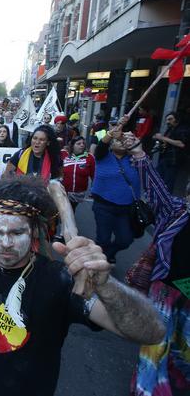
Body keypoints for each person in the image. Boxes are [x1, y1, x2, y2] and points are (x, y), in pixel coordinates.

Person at [0, 174, 166, 396]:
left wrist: (106, 286)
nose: (5, 243)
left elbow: (152, 332)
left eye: (17, 232)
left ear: (35, 231)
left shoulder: (61, 280)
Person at [122, 132, 190, 396]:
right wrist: (138, 151)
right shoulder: (175, 212)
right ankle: (147, 389)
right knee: (156, 341)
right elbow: (154, 184)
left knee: (184, 346)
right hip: (165, 288)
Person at [90, 117, 138, 263]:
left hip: (125, 208)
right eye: (118, 141)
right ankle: (99, 263)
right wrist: (112, 133)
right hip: (104, 206)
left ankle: (108, 253)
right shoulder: (103, 156)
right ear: (111, 145)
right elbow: (101, 145)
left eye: (123, 141)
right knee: (103, 239)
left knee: (125, 239)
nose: (121, 143)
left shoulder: (134, 159)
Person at [154, 112, 189, 194]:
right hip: (165, 158)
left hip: (174, 160)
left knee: (168, 183)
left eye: (170, 119)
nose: (168, 122)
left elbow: (181, 144)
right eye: (167, 120)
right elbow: (167, 141)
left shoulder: (182, 129)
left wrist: (163, 138)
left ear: (176, 119)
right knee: (156, 177)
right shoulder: (170, 129)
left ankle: (166, 202)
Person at [61, 136, 95, 211]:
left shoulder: (89, 157)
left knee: (70, 211)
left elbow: (94, 176)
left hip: (78, 193)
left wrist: (95, 191)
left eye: (83, 143)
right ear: (72, 146)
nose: (82, 145)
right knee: (63, 211)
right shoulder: (64, 154)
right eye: (78, 143)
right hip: (63, 191)